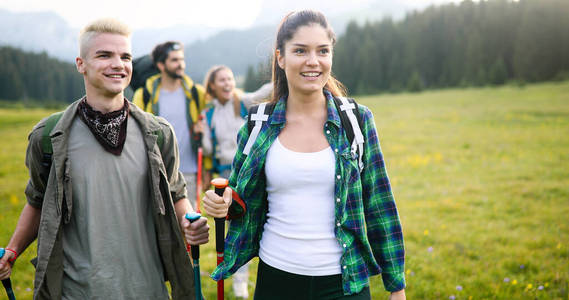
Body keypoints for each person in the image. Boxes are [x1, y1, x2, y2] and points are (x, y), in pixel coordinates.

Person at [202, 10, 406, 300]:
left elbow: (380, 205)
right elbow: (239, 200)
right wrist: (223, 204)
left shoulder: (357, 121)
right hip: (276, 279)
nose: (313, 61)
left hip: (345, 283)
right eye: (300, 50)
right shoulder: (258, 123)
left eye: (322, 50)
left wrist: (396, 288)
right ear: (281, 58)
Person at [0, 18, 209, 299]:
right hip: (77, 292)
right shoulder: (48, 137)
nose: (118, 64)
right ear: (81, 64)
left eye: (125, 56)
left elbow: (176, 194)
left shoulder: (158, 134)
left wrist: (190, 223)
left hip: (147, 289)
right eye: (104, 55)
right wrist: (12, 252)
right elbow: (38, 201)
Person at [201, 65, 271, 298]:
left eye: (230, 79)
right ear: (212, 85)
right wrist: (201, 130)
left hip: (251, 173)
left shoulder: (246, 102)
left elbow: (267, 90)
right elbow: (209, 149)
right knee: (236, 228)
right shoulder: (209, 114)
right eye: (222, 80)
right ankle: (239, 282)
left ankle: (264, 275)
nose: (227, 83)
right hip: (226, 179)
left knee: (259, 224)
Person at [133, 41, 208, 209]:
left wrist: (207, 168)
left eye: (181, 59)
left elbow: (219, 106)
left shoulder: (196, 93)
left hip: (189, 170)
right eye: (174, 60)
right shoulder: (145, 94)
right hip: (156, 171)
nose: (180, 64)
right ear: (161, 65)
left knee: (188, 228)